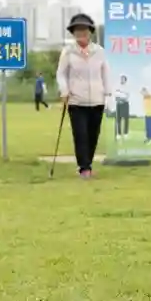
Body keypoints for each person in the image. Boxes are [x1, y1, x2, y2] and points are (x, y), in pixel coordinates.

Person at [56, 13, 111, 179]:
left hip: (97, 100)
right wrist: (64, 91)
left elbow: (106, 72)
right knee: (80, 135)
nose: (81, 33)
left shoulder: (100, 52)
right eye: (77, 31)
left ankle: (88, 163)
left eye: (84, 30)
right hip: (76, 101)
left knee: (93, 136)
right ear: (73, 33)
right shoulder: (68, 52)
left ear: (90, 32)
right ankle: (84, 168)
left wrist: (108, 92)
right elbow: (61, 74)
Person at [114, 75, 130, 140]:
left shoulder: (127, 87)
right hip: (118, 104)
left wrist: (121, 96)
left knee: (126, 119)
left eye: (123, 79)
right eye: (121, 79)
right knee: (118, 119)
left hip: (125, 104)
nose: (121, 80)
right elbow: (116, 95)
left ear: (125, 80)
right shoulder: (117, 86)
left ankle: (126, 133)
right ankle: (119, 134)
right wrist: (118, 99)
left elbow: (127, 96)